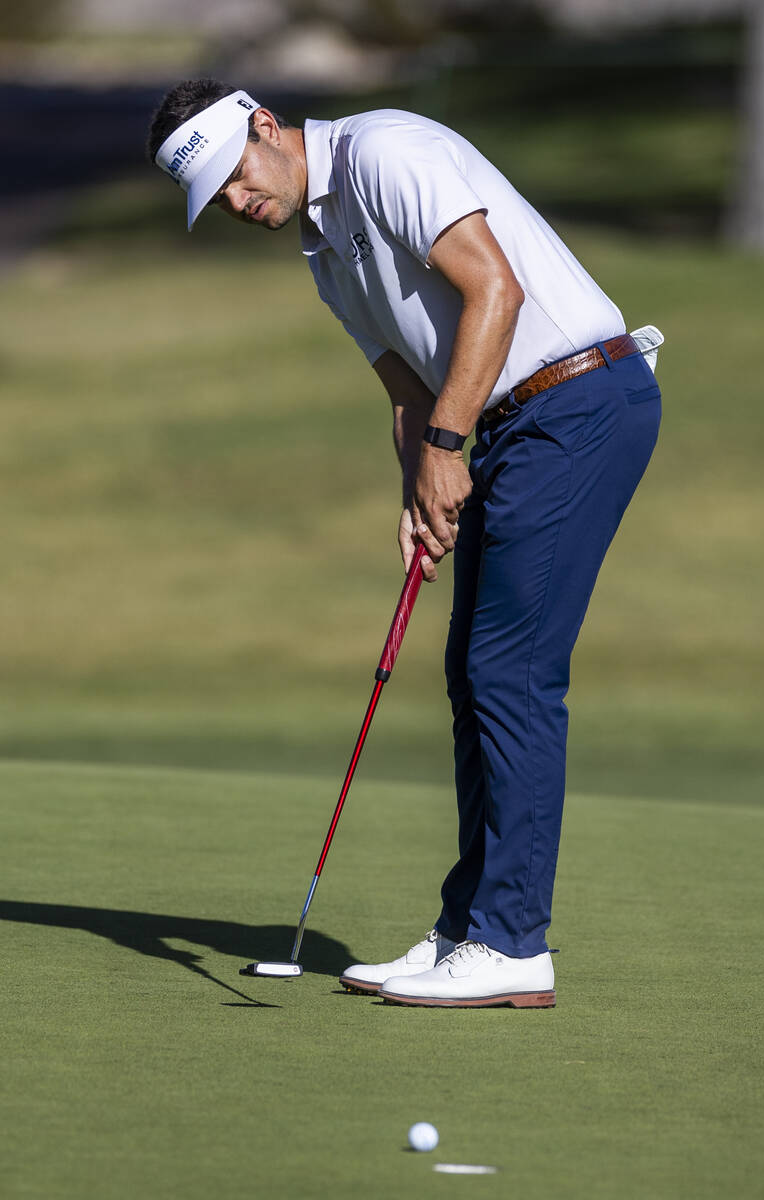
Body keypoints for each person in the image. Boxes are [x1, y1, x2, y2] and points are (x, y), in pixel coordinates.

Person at [147, 80, 662, 1008]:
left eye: (232, 176)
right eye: (214, 199)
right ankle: (469, 927)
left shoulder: (385, 153)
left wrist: (446, 451)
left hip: (576, 403)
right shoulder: (320, 247)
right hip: (505, 426)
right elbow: (408, 390)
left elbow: (493, 289)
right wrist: (420, 491)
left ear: (265, 125)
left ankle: (513, 942)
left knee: (512, 673)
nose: (234, 202)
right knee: (474, 672)